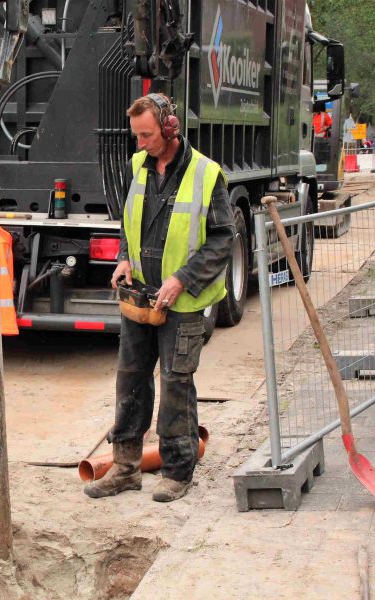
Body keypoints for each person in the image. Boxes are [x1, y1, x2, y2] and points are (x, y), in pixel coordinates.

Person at [83, 93, 234, 502]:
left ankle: (178, 471)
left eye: (147, 135)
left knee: (175, 384)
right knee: (130, 380)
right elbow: (129, 222)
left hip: (180, 303)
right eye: (137, 136)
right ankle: (126, 468)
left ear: (169, 128)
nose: (140, 144)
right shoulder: (139, 166)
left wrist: (183, 279)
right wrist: (124, 258)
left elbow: (223, 238)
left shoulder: (206, 174)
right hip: (140, 297)